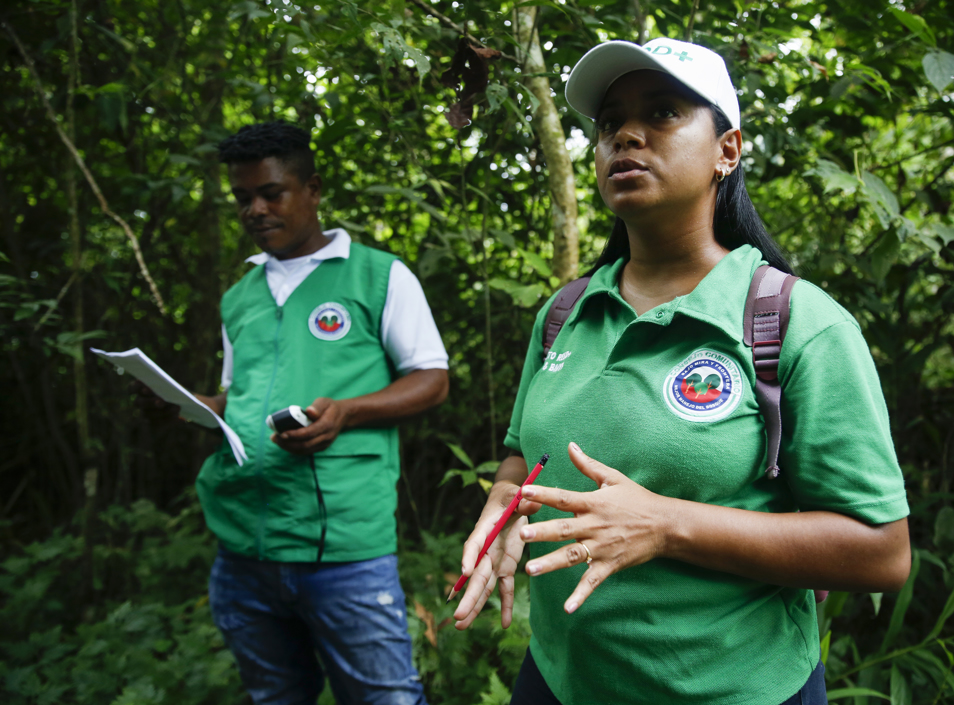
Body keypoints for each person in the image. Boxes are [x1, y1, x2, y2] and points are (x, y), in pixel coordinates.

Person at [451, 38, 911, 705]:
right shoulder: (566, 311)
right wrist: (502, 503)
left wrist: (663, 524)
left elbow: (882, 552)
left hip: (732, 688)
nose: (626, 135)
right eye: (610, 123)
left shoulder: (797, 322)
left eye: (663, 113)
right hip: (558, 679)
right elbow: (525, 453)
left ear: (728, 149)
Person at [134, 121, 447, 705]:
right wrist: (181, 405)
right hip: (244, 548)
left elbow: (432, 380)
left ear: (312, 189)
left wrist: (347, 412)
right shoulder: (240, 296)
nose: (255, 209)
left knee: (386, 699)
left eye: (270, 193)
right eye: (242, 198)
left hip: (342, 549)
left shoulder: (378, 276)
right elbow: (238, 399)